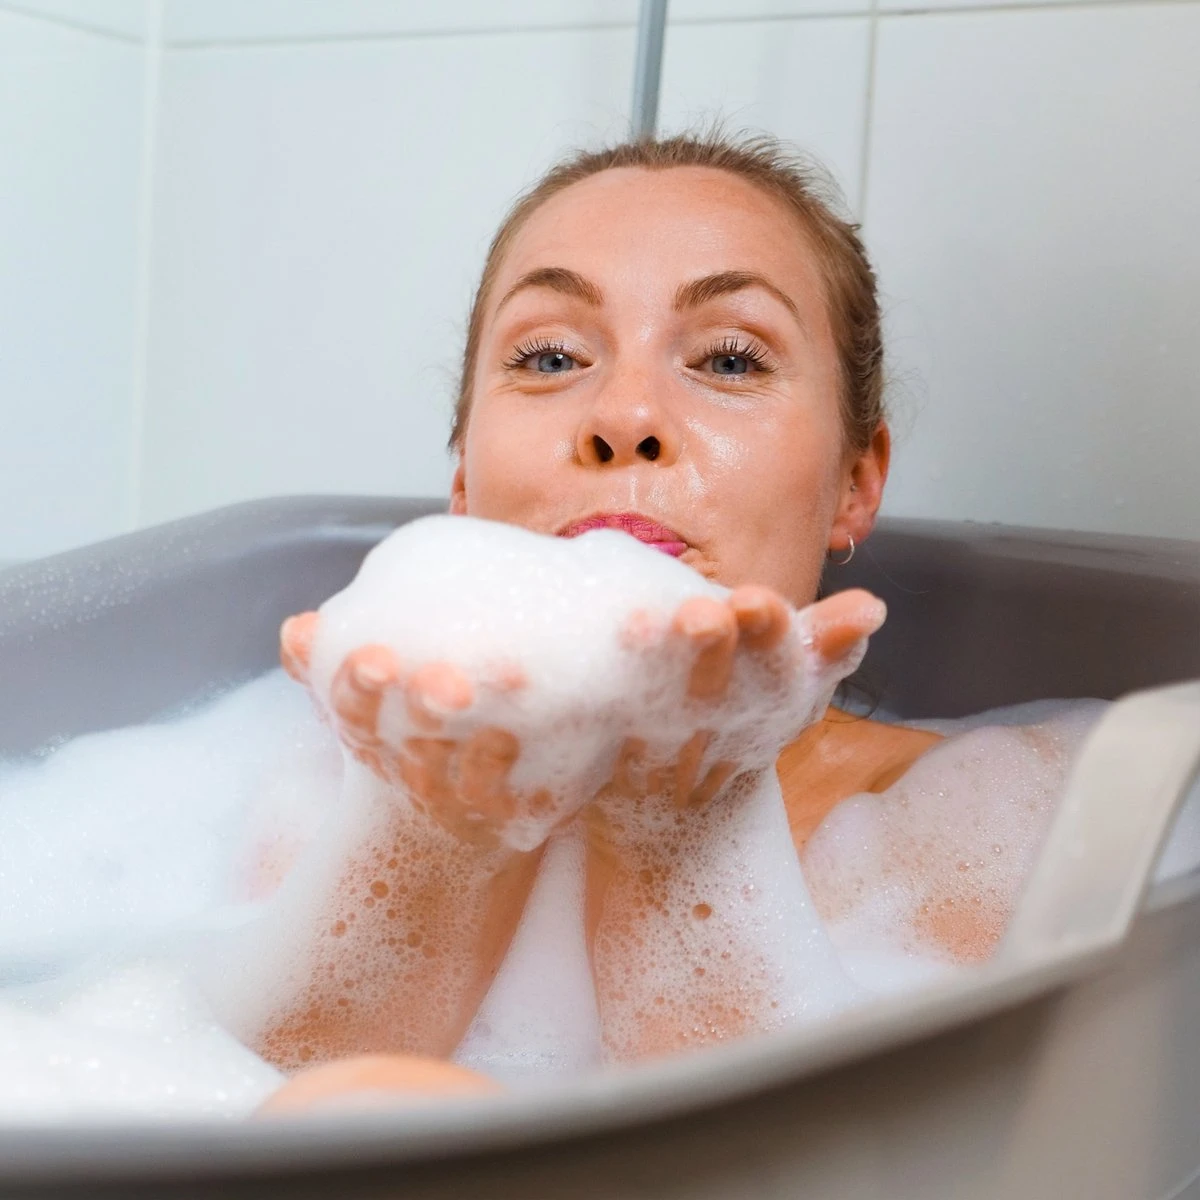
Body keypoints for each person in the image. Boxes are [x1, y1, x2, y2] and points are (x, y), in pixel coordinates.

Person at [259, 131, 1076, 1084]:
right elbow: (229, 1106)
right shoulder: (325, 802)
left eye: (728, 361)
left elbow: (883, 1147)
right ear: (464, 484)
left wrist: (680, 836)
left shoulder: (989, 834)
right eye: (550, 357)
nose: (624, 420)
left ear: (856, 481)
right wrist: (435, 847)